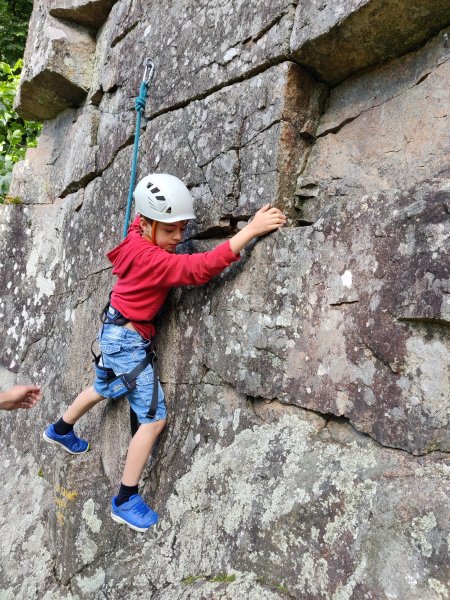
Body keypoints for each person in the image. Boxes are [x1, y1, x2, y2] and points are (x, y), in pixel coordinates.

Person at [43, 173, 286, 532]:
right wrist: (250, 230)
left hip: (114, 332)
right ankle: (125, 499)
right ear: (147, 223)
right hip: (127, 343)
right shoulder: (153, 259)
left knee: (104, 386)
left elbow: (145, 223)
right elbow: (200, 269)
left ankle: (61, 429)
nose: (178, 238)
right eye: (170, 230)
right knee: (154, 419)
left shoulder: (135, 235)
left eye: (182, 229)